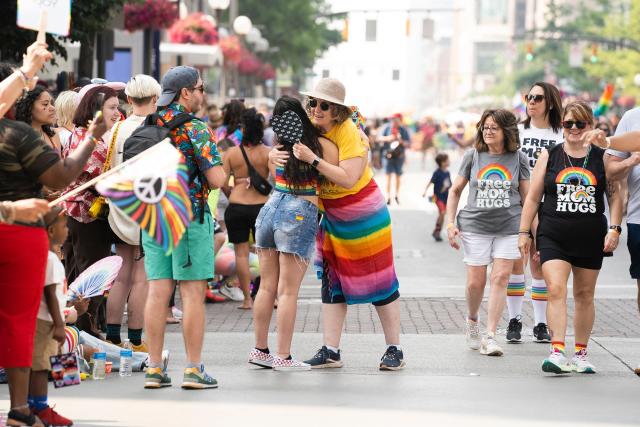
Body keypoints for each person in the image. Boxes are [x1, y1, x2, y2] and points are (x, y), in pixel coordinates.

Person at [0, 42, 106, 427]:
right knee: (18, 320)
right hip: (19, 235)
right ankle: (20, 409)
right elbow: (61, 177)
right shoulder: (16, 135)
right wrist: (93, 137)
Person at [275, 78, 404, 370]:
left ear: (337, 111)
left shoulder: (349, 133)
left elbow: (348, 177)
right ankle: (331, 350)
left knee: (379, 280)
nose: (316, 109)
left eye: (324, 105)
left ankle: (394, 348)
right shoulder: (310, 126)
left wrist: (313, 160)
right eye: (313, 103)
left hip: (363, 213)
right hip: (331, 214)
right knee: (332, 283)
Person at [518, 101, 622, 374]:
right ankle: (557, 350)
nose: (574, 129)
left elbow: (614, 194)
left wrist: (614, 228)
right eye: (568, 124)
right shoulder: (549, 156)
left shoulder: (603, 157)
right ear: (562, 126)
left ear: (590, 125)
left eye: (580, 124)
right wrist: (524, 232)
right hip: (553, 233)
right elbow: (532, 198)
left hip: (590, 236)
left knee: (585, 294)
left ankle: (581, 353)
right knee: (555, 289)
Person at [142, 66, 225, 390]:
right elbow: (217, 178)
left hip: (153, 217)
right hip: (189, 218)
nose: (204, 94)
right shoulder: (196, 128)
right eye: (201, 88)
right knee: (191, 293)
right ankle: (192, 369)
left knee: (157, 291)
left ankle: (153, 368)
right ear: (186, 93)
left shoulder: (148, 123)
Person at [250, 96, 338, 370]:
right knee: (287, 292)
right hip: (299, 211)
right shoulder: (320, 145)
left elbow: (268, 169)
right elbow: (337, 174)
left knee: (266, 287)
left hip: (270, 208)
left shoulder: (277, 149)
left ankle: (260, 350)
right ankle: (283, 356)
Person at [446, 109, 530, 357]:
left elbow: (528, 198)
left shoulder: (518, 158)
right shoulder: (473, 156)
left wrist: (531, 233)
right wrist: (450, 224)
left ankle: (490, 335)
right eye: (485, 126)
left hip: (509, 227)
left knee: (501, 278)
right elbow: (455, 191)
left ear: (507, 131)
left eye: (494, 127)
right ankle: (472, 320)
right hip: (475, 226)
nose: (488, 131)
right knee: (475, 283)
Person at [103, 74, 161, 351]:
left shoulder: (117, 129)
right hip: (148, 209)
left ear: (128, 99)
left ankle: (112, 335)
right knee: (142, 275)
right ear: (155, 98)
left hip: (119, 208)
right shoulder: (160, 129)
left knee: (122, 271)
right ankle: (136, 340)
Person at [62, 85, 122, 337]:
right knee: (92, 274)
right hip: (86, 215)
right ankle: (85, 331)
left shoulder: (85, 134)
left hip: (80, 214)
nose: (118, 113)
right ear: (95, 110)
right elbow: (102, 180)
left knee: (79, 271)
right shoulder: (89, 138)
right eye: (112, 107)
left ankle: (81, 329)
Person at [506, 82, 564, 343]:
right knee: (516, 262)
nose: (531, 101)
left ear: (550, 102)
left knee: (539, 263)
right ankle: (515, 319)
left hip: (548, 205)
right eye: (528, 97)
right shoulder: (517, 131)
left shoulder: (562, 134)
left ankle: (540, 323)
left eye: (538, 98)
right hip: (517, 202)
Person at [220, 108, 271, 309]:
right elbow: (276, 178)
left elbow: (221, 181)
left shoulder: (232, 153)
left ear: (243, 129)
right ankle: (270, 298)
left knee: (241, 254)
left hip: (237, 206)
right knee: (265, 254)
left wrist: (232, 193)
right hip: (262, 207)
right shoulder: (268, 153)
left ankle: (247, 300)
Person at [28, 208, 72, 426]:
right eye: (65, 226)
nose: (67, 230)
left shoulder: (43, 255)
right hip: (45, 320)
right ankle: (39, 407)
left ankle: (33, 404)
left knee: (40, 364)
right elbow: (50, 294)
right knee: (40, 366)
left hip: (43, 319)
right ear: (52, 230)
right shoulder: (51, 259)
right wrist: (58, 324)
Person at [15, 86, 61, 152]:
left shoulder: (53, 134)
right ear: (29, 107)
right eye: (45, 104)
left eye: (51, 103)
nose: (53, 108)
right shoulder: (17, 139)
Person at [380, 113, 410, 204]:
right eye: (393, 119)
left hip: (399, 155)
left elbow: (408, 143)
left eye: (396, 119)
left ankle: (396, 195)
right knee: (388, 176)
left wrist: (400, 141)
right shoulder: (387, 128)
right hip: (388, 155)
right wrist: (388, 138)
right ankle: (388, 196)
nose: (394, 121)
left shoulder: (403, 130)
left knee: (398, 176)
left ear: (400, 120)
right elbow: (379, 138)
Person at [423, 153, 451, 242]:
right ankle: (436, 231)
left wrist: (446, 187)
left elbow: (450, 184)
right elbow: (431, 181)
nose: (449, 162)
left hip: (445, 197)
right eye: (447, 160)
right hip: (437, 197)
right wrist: (425, 191)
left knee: (442, 215)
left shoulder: (448, 172)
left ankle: (437, 232)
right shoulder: (437, 172)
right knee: (442, 213)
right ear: (442, 163)